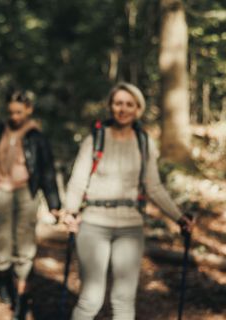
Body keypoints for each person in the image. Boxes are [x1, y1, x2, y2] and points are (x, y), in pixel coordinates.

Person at [63, 82, 194, 320]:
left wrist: (179, 217)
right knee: (90, 299)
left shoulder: (144, 143)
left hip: (130, 228)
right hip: (93, 224)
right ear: (111, 106)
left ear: (137, 109)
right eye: (118, 103)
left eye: (128, 104)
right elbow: (78, 180)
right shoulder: (95, 139)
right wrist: (70, 212)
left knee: (123, 301)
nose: (122, 109)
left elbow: (154, 187)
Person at [0, 89, 61, 319]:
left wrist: (55, 204)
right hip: (0, 192)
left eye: (19, 112)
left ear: (29, 110)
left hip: (26, 193)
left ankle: (22, 298)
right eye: (11, 112)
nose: (15, 116)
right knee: (1, 247)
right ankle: (5, 283)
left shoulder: (36, 136)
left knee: (24, 246)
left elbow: (47, 171)